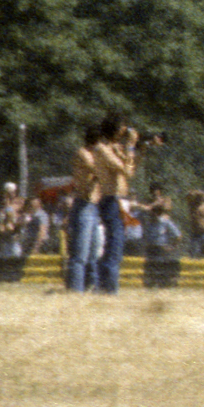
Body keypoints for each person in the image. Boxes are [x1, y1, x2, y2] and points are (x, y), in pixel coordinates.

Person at [69, 117, 135, 294]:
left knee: (93, 253)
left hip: (95, 204)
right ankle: (76, 290)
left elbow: (125, 170)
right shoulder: (84, 153)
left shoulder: (100, 151)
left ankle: (93, 287)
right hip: (84, 204)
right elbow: (100, 168)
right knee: (80, 254)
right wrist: (116, 153)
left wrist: (124, 152)